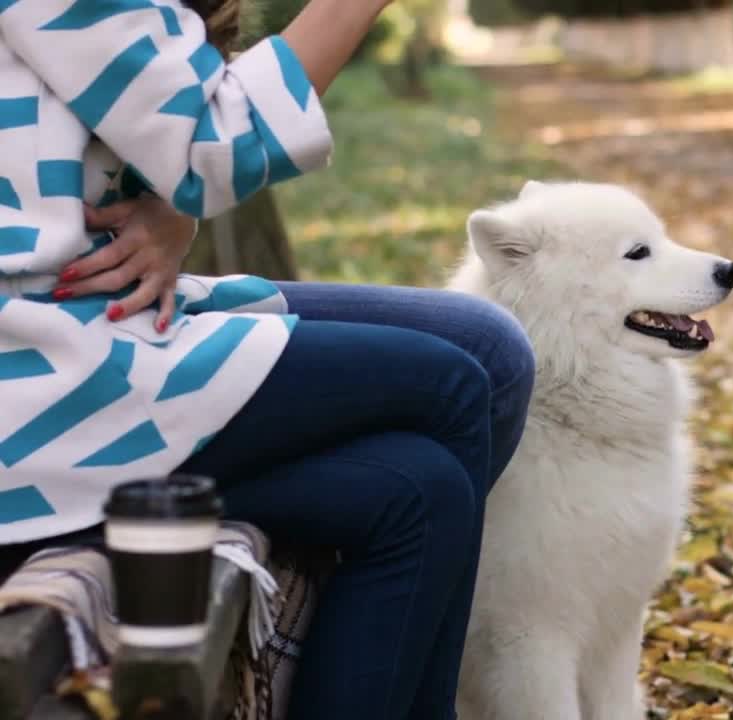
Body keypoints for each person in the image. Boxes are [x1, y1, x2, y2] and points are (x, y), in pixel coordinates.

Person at [0, 2, 534, 719]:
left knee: (428, 473)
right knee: (458, 384)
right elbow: (213, 141)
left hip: (82, 314)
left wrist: (169, 206)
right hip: (44, 374)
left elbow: (154, 120)